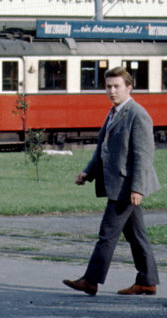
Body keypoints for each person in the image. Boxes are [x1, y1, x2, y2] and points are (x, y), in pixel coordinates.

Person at [64, 67, 160, 297]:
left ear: (129, 88)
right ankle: (147, 281)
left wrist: (138, 188)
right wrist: (87, 173)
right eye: (108, 86)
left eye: (117, 86)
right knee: (136, 235)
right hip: (119, 185)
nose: (112, 91)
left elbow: (143, 156)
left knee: (107, 234)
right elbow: (103, 149)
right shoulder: (114, 113)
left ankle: (90, 280)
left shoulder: (137, 114)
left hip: (126, 187)